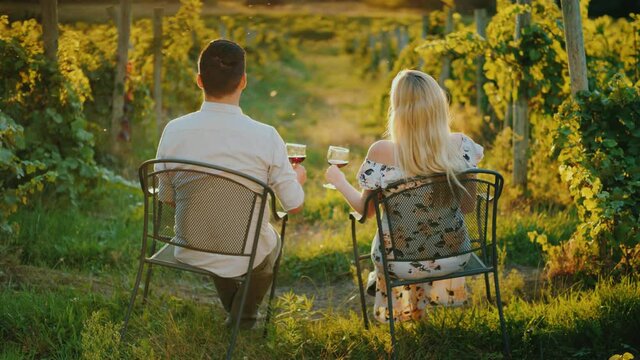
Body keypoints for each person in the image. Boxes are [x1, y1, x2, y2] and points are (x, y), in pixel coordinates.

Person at [155, 39, 306, 329]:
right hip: (242, 250)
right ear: (244, 81)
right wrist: (297, 178)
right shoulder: (266, 136)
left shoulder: (173, 130)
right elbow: (294, 205)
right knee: (268, 244)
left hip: (188, 244)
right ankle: (244, 318)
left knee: (215, 227)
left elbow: (168, 197)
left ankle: (238, 314)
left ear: (199, 81)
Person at [325, 69, 483, 323]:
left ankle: (402, 301)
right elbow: (467, 207)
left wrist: (339, 181)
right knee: (419, 238)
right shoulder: (463, 145)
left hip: (400, 262)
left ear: (398, 110)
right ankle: (418, 305)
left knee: (390, 240)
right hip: (454, 257)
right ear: (437, 106)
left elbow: (365, 213)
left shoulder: (381, 152)